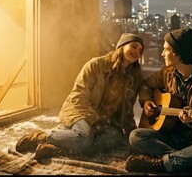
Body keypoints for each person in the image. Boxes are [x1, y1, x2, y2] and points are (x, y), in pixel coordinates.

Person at [15, 33, 145, 160]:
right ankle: (41, 137)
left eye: (140, 50)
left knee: (116, 138)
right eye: (133, 46)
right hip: (80, 112)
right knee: (83, 138)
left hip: (105, 121)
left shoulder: (131, 79)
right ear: (121, 46)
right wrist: (94, 121)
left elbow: (128, 112)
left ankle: (60, 149)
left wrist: (132, 136)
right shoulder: (96, 65)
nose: (137, 51)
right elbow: (78, 97)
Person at [125, 27, 192, 175]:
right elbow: (146, 85)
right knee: (136, 136)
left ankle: (162, 164)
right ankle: (188, 162)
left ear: (177, 53)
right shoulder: (166, 74)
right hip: (171, 135)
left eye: (165, 49)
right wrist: (147, 101)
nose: (162, 54)